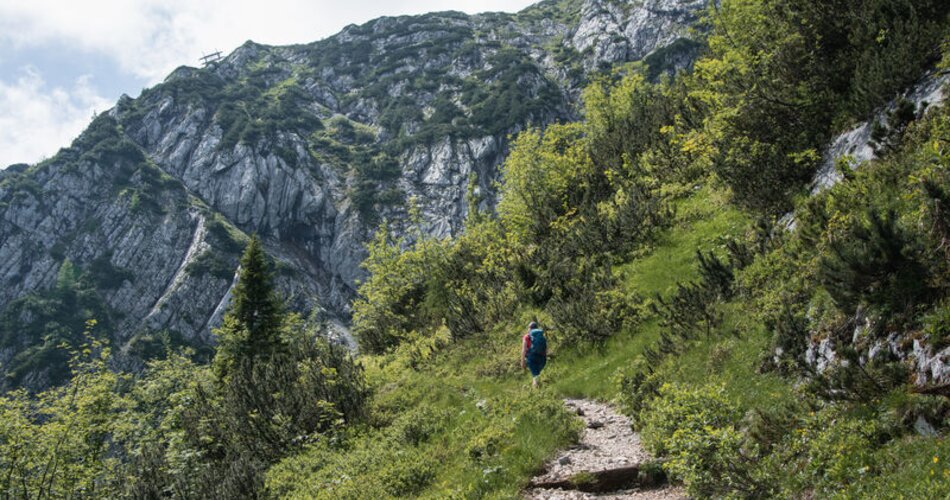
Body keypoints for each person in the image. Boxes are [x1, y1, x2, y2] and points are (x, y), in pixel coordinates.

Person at [521, 321, 547, 388]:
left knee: (535, 376)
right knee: (536, 375)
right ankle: (538, 388)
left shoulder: (526, 336)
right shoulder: (540, 335)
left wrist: (522, 361)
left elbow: (523, 349)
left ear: (529, 328)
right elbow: (546, 347)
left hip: (532, 358)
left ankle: (535, 393)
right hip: (542, 358)